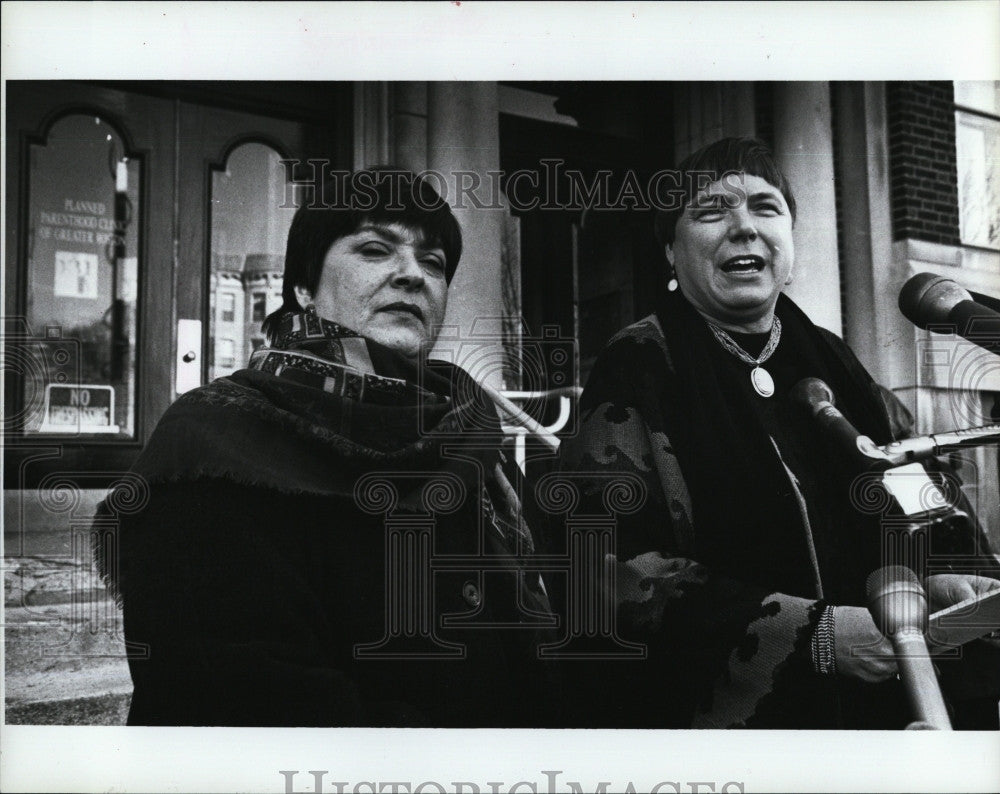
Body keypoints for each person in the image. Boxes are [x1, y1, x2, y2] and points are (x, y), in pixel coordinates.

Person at [556, 137, 1000, 729]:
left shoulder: (835, 362)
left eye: (766, 208)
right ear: (669, 249)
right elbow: (609, 569)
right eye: (712, 211)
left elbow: (920, 494)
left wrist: (943, 582)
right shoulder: (641, 363)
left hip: (894, 718)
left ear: (790, 239)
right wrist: (812, 636)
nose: (744, 228)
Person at [95, 169, 557, 727]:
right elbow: (246, 703)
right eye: (374, 249)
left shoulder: (472, 437)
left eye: (432, 262)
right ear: (304, 289)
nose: (412, 274)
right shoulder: (216, 444)